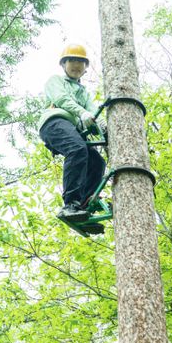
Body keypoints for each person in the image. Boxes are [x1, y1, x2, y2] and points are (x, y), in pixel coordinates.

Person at [38, 44, 106, 219]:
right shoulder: (56, 81)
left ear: (85, 68)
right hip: (54, 123)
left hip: (72, 129)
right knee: (77, 149)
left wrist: (104, 126)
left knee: (97, 162)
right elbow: (61, 98)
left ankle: (84, 205)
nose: (76, 65)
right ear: (63, 64)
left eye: (80, 62)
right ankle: (70, 203)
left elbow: (93, 111)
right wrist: (82, 113)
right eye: (72, 61)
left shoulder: (83, 93)